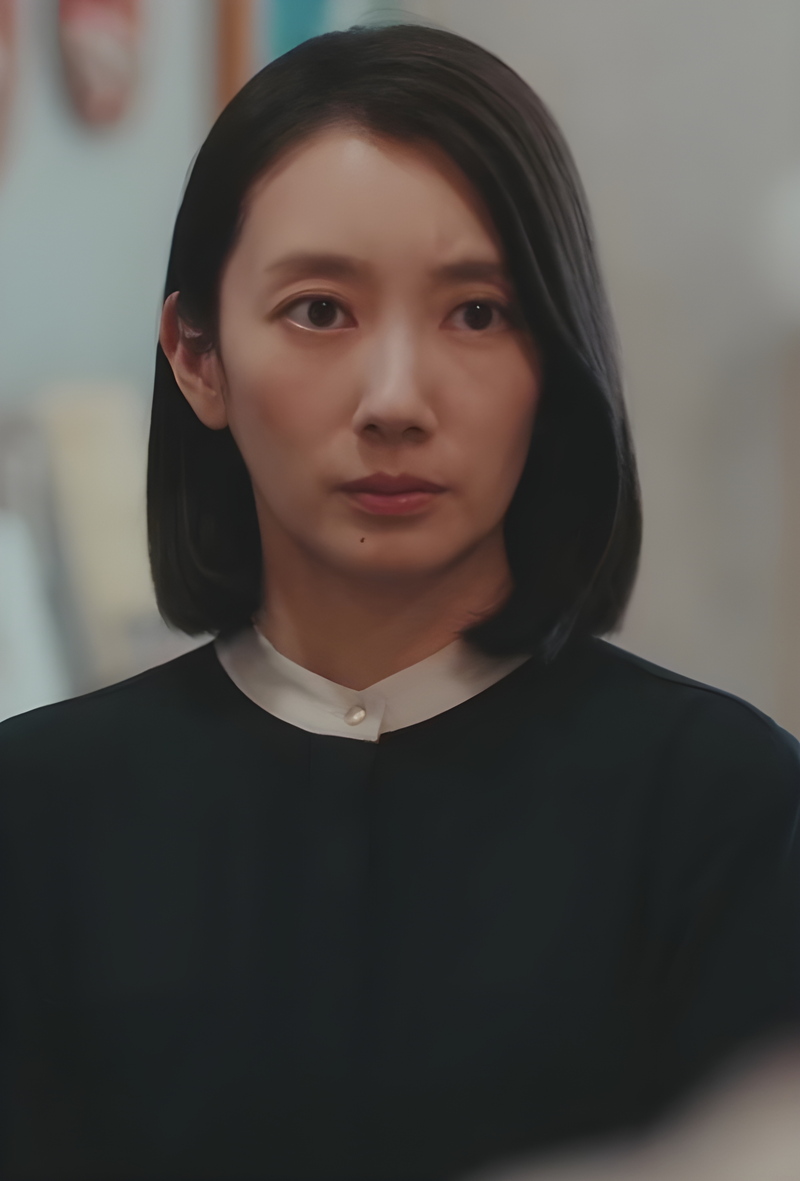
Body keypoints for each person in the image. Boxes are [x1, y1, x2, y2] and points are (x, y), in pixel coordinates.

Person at [1, 21, 799, 1181]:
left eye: (476, 312)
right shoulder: (33, 815)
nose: (393, 399)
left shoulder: (731, 812)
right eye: (319, 310)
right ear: (196, 355)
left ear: (554, 358)